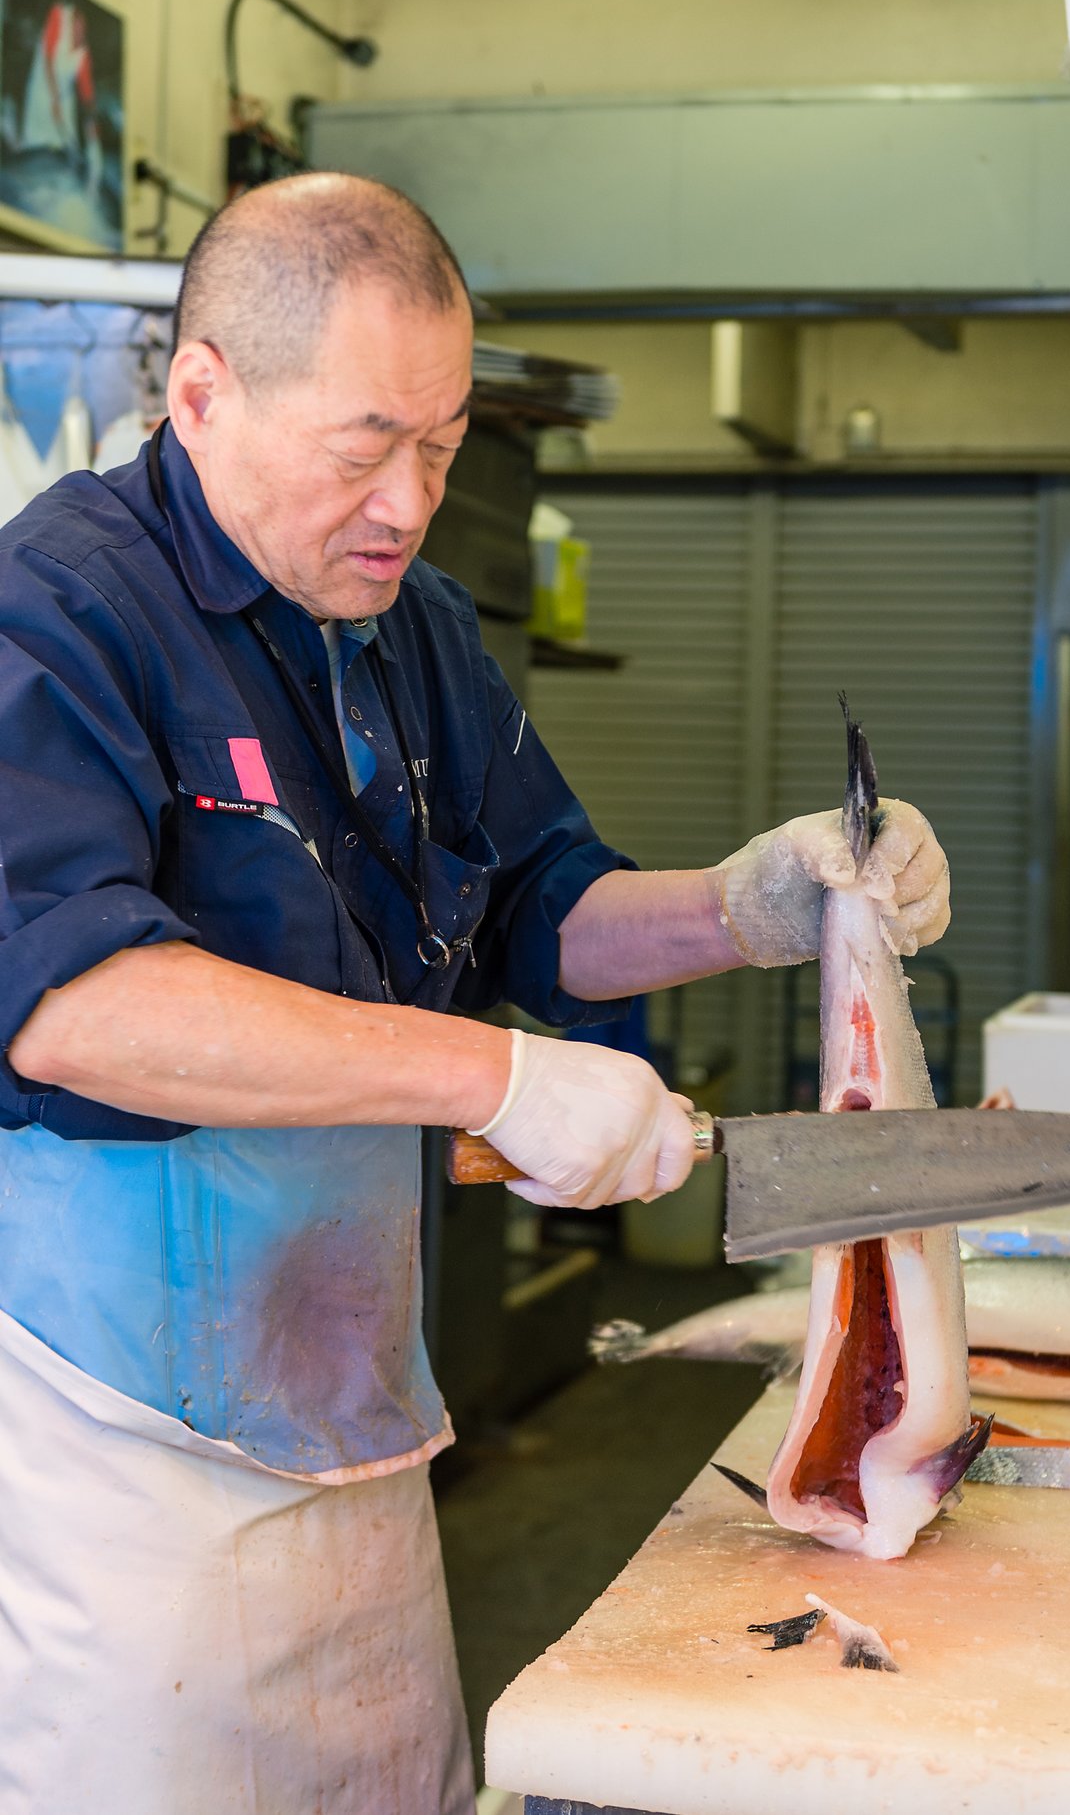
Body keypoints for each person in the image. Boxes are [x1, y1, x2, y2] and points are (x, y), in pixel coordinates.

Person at [0, 173, 950, 1815]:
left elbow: (543, 910)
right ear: (203, 393)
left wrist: (751, 906)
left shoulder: (412, 629)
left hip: (363, 1427)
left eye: (442, 449)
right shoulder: (57, 609)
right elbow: (72, 1001)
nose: (410, 503)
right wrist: (496, 1080)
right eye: (365, 445)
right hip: (117, 1466)